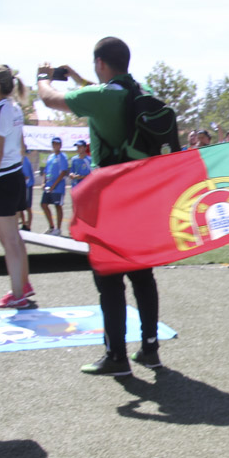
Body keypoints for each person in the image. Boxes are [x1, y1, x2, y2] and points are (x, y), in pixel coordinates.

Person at [36, 37, 162, 376]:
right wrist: (78, 77)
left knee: (108, 277)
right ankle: (150, 349)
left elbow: (50, 99)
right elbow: (100, 91)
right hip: (142, 195)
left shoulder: (102, 97)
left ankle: (116, 356)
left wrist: (42, 77)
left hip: (111, 198)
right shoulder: (138, 90)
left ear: (101, 63)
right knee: (142, 275)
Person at [0, 64, 34, 309]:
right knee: (14, 238)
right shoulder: (13, 108)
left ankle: (17, 294)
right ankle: (23, 285)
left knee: (9, 240)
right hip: (13, 176)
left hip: (3, 178)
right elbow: (21, 147)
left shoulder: (2, 110)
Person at [41, 136, 68, 235]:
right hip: (48, 186)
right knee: (43, 204)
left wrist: (54, 185)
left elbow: (63, 172)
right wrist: (43, 182)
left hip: (58, 187)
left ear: (60, 145)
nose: (55, 146)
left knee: (58, 206)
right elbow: (45, 170)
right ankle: (51, 227)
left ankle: (58, 229)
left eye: (57, 144)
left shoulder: (63, 157)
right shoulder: (50, 157)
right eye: (54, 144)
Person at [20, 142, 35, 232]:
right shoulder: (20, 159)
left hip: (27, 186)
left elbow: (26, 177)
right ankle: (24, 224)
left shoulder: (24, 160)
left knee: (27, 207)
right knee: (20, 206)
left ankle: (28, 225)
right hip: (22, 186)